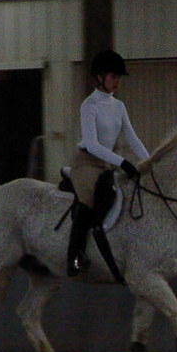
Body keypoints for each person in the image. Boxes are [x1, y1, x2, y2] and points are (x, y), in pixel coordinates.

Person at [67, 49, 150, 277]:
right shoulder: (89, 105)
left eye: (119, 77)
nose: (117, 81)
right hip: (87, 163)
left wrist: (149, 163)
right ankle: (74, 256)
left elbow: (133, 139)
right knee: (87, 201)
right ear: (100, 77)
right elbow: (92, 144)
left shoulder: (119, 106)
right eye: (114, 76)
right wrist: (123, 163)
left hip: (108, 162)